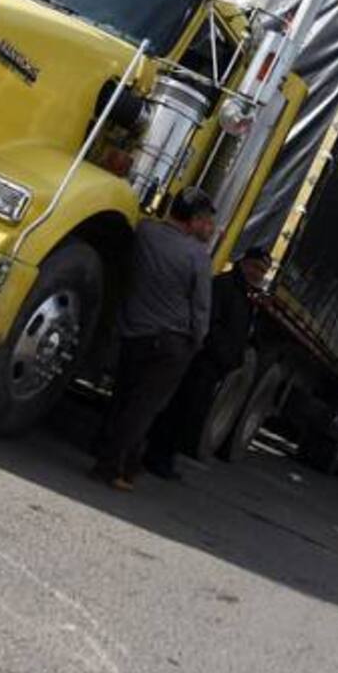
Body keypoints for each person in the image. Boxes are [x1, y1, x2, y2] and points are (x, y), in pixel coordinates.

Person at [92, 187, 216, 492]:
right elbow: (201, 308)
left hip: (134, 333)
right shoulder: (197, 256)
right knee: (144, 408)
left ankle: (125, 462)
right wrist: (197, 341)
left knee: (124, 397)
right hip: (172, 343)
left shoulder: (144, 232)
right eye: (207, 221)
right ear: (194, 220)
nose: (210, 228)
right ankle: (111, 466)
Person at [143, 246, 271, 480]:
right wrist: (221, 353)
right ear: (244, 263)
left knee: (189, 414)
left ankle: (165, 457)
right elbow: (210, 322)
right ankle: (156, 456)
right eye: (255, 267)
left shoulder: (246, 295)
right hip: (202, 361)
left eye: (262, 271)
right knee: (178, 409)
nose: (257, 274)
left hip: (215, 366)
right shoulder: (224, 286)